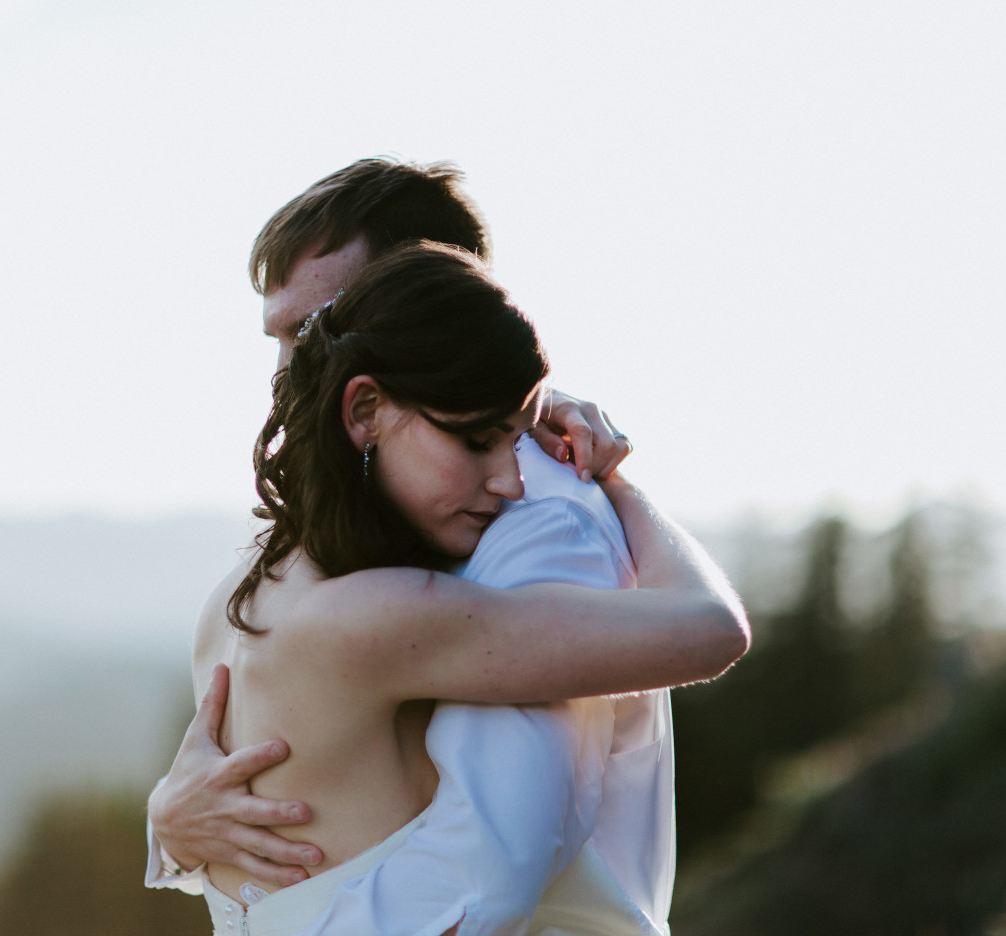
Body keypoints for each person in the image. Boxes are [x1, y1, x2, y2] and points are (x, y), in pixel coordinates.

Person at [148, 159, 743, 934]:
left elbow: (491, 857)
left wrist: (615, 484)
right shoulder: (341, 537)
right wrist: (170, 825)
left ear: (423, 285)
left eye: (317, 326)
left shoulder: (539, 519)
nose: (292, 374)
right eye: (285, 338)